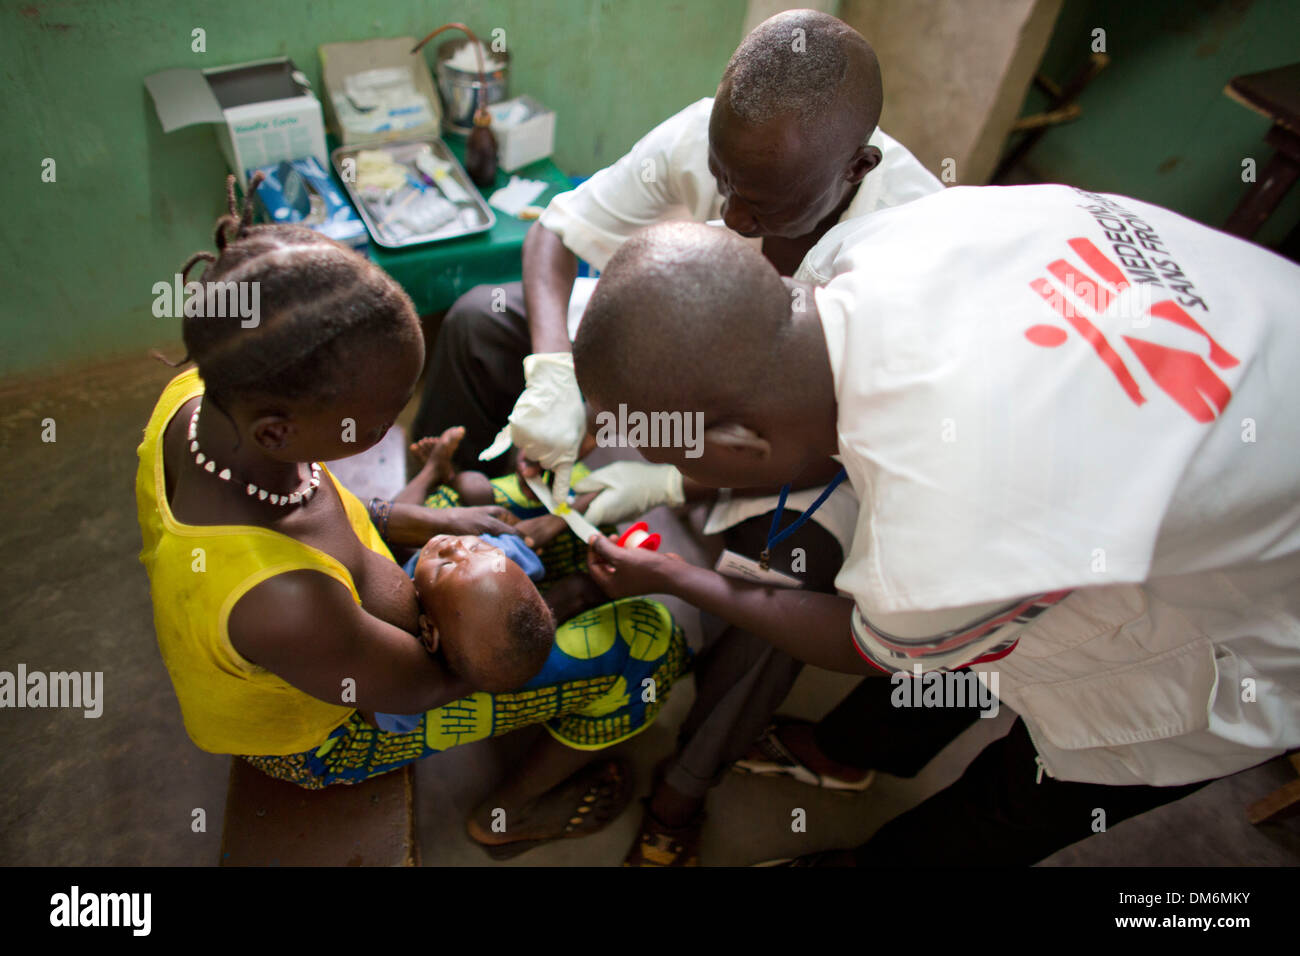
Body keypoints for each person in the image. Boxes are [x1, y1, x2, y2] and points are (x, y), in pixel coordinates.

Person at [571, 185, 1300, 865]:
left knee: (1021, 802)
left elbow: (872, 645)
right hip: (1258, 343)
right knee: (975, 646)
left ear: (739, 446)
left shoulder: (955, 520)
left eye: (696, 463)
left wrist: (681, 577)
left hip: (1248, 627)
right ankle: (848, 749)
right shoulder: (878, 246)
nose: (696, 481)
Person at [415, 7, 942, 865]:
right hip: (680, 352)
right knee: (484, 319)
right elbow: (556, 235)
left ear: (858, 168)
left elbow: (826, 445)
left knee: (796, 565)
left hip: (813, 433)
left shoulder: (910, 254)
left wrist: (667, 480)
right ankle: (447, 518)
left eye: (761, 202)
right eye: (723, 181)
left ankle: (684, 789)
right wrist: (554, 373)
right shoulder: (714, 134)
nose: (731, 215)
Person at [136, 176, 687, 860]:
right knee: (647, 643)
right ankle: (507, 814)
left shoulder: (207, 395)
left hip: (359, 624)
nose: (393, 423)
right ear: (279, 431)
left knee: (529, 502)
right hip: (336, 728)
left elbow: (330, 511)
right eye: (375, 418)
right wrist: (550, 605)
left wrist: (432, 523)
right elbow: (428, 685)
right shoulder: (278, 600)